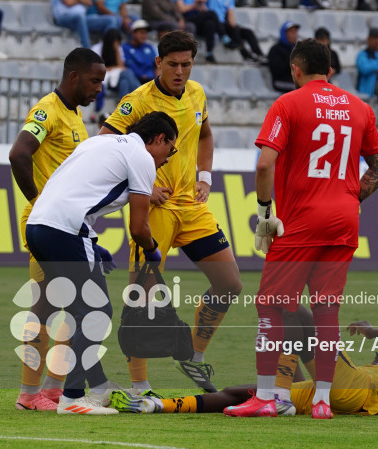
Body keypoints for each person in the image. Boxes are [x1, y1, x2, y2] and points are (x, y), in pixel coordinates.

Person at [226, 38, 378, 419]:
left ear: (295, 70)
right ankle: (322, 402)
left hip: (300, 221)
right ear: (330, 71)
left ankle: (268, 398)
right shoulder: (360, 108)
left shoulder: (288, 103)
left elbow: (265, 165)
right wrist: (350, 198)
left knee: (270, 308)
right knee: (326, 311)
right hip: (345, 220)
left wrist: (266, 213)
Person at [100, 30, 243, 394]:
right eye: (173, 65)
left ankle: (193, 360)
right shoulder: (138, 101)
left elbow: (206, 134)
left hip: (191, 208)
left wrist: (205, 177)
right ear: (158, 63)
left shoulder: (197, 93)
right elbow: (104, 144)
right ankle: (139, 386)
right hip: (154, 208)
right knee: (140, 295)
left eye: (187, 65)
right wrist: (143, 187)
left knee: (229, 284)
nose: (180, 72)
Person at [25, 111, 179, 415]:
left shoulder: (99, 143)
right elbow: (138, 228)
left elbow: (77, 193)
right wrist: (152, 250)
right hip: (65, 229)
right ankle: (71, 398)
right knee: (97, 312)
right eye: (170, 150)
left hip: (38, 225)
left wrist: (93, 247)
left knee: (81, 311)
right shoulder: (143, 157)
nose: (166, 160)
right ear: (160, 139)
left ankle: (96, 387)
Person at [9, 48, 106, 412]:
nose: (99, 88)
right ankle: (29, 394)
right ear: (73, 77)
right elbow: (19, 153)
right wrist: (38, 202)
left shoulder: (75, 117)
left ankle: (51, 388)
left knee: (76, 305)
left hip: (67, 226)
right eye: (95, 80)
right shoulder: (47, 110)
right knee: (49, 307)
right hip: (48, 224)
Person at [111, 318, 378, 416]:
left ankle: (277, 397)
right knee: (242, 393)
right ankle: (155, 405)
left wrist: (373, 332)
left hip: (356, 391)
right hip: (337, 395)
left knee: (304, 317)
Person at [92, 28, 140, 115]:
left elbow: (121, 66)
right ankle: (140, 95)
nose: (116, 44)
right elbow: (96, 69)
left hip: (117, 79)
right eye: (115, 42)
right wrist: (114, 68)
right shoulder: (97, 48)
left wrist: (116, 49)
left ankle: (123, 111)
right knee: (127, 73)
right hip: (104, 78)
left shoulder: (118, 49)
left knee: (124, 82)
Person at [51, 0, 119, 49]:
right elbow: (68, 2)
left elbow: (89, 2)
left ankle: (108, 52)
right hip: (63, 18)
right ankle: (87, 50)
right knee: (80, 16)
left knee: (111, 20)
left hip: (82, 19)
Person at [123, 19, 158, 85]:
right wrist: (143, 76)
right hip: (135, 81)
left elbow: (156, 65)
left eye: (145, 33)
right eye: (141, 33)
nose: (144, 36)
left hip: (151, 80)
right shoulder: (125, 48)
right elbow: (129, 65)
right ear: (133, 33)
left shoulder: (149, 47)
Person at [268, 21, 298, 93]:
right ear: (284, 34)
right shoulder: (275, 50)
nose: (295, 35)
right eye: (291, 32)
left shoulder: (296, 49)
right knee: (302, 88)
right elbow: (277, 70)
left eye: (295, 32)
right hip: (280, 81)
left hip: (294, 80)